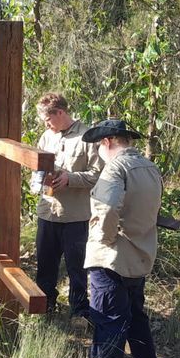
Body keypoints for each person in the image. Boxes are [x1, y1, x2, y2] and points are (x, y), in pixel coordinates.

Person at [79, 119, 165, 358]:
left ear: (107, 142)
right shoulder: (150, 168)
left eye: (98, 146)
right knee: (136, 318)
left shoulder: (114, 168)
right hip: (140, 255)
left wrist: (102, 240)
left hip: (112, 258)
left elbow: (107, 209)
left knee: (109, 322)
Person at [34, 93, 103, 318]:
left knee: (77, 268)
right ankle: (45, 308)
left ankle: (79, 312)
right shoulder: (46, 137)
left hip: (75, 216)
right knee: (45, 266)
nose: (46, 125)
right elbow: (38, 169)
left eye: (48, 119)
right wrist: (38, 180)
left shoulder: (87, 137)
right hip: (48, 212)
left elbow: (98, 174)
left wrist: (69, 179)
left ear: (60, 113)